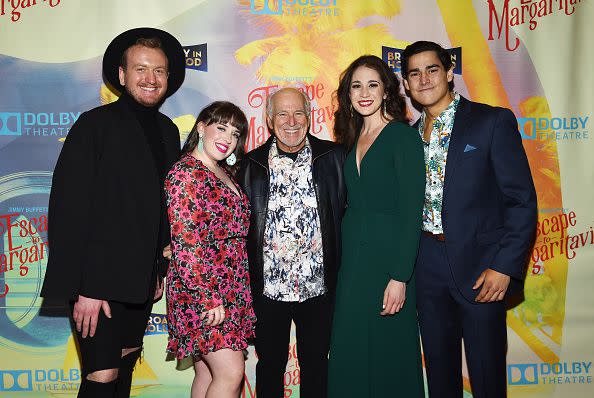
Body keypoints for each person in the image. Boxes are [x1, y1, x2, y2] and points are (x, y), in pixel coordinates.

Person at [40, 27, 185, 397]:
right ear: (122, 75)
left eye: (158, 71)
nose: (150, 79)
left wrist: (159, 269)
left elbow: (160, 209)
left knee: (124, 362)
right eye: (140, 69)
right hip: (98, 284)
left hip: (138, 281)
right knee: (101, 375)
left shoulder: (168, 132)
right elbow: (68, 209)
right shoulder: (94, 125)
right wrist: (85, 287)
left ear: (168, 78)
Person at [400, 40, 537, 397]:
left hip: (482, 268)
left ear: (448, 72)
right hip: (425, 266)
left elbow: (521, 201)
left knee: (487, 373)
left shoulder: (490, 122)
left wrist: (505, 266)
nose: (424, 79)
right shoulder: (405, 138)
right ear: (406, 84)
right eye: (414, 73)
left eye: (432, 69)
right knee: (441, 375)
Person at [237, 87, 346, 398]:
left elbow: (348, 215)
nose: (291, 121)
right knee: (270, 365)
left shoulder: (334, 157)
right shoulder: (250, 165)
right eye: (282, 114)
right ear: (270, 120)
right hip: (268, 288)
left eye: (299, 113)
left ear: (309, 117)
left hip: (319, 286)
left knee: (316, 365)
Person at [327, 55, 426, 397]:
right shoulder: (353, 139)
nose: (364, 92)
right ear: (348, 94)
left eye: (373, 84)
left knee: (389, 354)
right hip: (353, 262)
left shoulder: (402, 137)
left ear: (386, 91)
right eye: (356, 85)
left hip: (389, 262)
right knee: (350, 347)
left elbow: (413, 212)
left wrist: (400, 277)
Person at [164, 101, 255, 398]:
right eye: (221, 127)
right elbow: (186, 241)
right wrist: (206, 296)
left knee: (206, 371)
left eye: (235, 133)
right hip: (203, 290)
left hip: (231, 287)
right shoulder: (186, 173)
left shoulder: (222, 171)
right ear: (202, 127)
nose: (228, 138)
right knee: (230, 373)